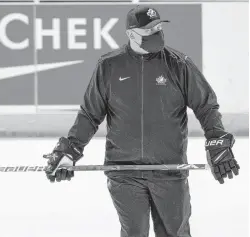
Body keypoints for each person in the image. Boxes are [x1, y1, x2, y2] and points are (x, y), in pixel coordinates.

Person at [43, 6, 240, 237]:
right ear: (131, 34)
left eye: (158, 27)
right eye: (149, 30)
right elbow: (89, 114)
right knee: (134, 233)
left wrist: (216, 139)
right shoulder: (109, 66)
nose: (157, 33)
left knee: (175, 234)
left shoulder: (179, 65)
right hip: (124, 171)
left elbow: (206, 106)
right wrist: (70, 150)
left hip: (169, 171)